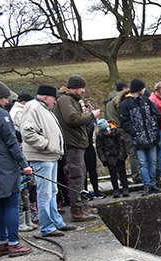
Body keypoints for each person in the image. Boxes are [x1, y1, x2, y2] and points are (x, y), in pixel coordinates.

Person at [19, 84, 77, 237]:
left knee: (52, 191)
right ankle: (46, 227)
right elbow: (27, 132)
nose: (55, 102)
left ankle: (56, 222)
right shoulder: (33, 107)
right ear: (46, 97)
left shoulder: (44, 108)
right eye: (53, 99)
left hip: (50, 157)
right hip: (42, 156)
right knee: (45, 193)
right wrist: (46, 145)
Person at [0, 79, 33, 257]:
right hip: (4, 165)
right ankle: (14, 244)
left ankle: (3, 243)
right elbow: (11, 142)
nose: (7, 102)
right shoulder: (1, 115)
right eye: (4, 98)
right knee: (11, 203)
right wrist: (24, 165)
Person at [53, 74, 100, 221]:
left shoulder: (72, 100)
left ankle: (83, 205)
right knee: (76, 176)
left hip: (79, 143)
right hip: (72, 144)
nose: (84, 91)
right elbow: (72, 119)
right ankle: (77, 209)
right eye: (82, 88)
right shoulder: (65, 100)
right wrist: (91, 115)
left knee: (81, 175)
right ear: (75, 87)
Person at [118, 78, 161, 196]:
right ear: (139, 89)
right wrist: (135, 133)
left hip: (150, 137)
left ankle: (152, 183)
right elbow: (124, 122)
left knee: (152, 162)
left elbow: (155, 115)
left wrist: (153, 130)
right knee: (142, 163)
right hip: (138, 139)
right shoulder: (125, 104)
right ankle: (147, 184)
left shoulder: (146, 101)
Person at [94, 119, 129, 198]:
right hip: (109, 157)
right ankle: (115, 189)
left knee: (122, 172)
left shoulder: (117, 132)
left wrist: (121, 156)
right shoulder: (100, 136)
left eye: (108, 130)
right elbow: (99, 148)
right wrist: (104, 160)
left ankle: (125, 188)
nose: (108, 132)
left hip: (118, 155)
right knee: (113, 174)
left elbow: (122, 145)